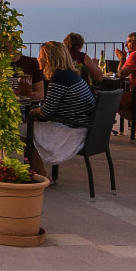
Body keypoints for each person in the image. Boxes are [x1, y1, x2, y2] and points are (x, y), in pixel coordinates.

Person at [26, 41, 95, 178]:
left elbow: (47, 112)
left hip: (71, 131)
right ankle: (35, 171)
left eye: (40, 55)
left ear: (50, 58)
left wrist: (32, 112)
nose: (38, 58)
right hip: (82, 127)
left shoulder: (59, 78)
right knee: (29, 126)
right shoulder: (71, 75)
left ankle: (40, 174)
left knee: (21, 131)